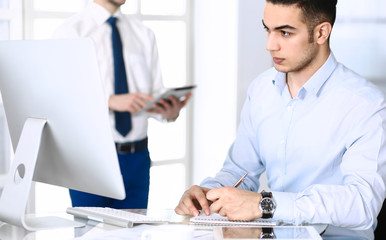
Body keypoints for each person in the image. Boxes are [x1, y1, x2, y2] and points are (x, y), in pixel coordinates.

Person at [175, 0, 386, 235]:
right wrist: (207, 193)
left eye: (285, 32)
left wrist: (264, 203)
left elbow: (363, 204)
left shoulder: (365, 104)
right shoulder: (261, 90)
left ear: (321, 33)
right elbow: (239, 171)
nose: (270, 45)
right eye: (268, 29)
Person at [54, 0, 191, 209]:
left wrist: (169, 112)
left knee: (134, 233)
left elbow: (153, 94)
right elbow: (60, 99)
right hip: (90, 159)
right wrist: (108, 101)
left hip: (137, 160)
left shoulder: (143, 33)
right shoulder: (71, 32)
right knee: (92, 236)